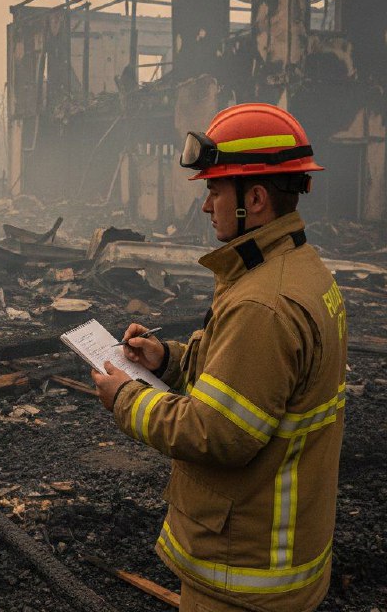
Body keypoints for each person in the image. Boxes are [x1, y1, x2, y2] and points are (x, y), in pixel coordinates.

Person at [92, 103, 347, 612]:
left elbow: (216, 433)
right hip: (278, 554)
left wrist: (125, 398)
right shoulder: (296, 268)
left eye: (214, 190)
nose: (206, 206)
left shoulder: (263, 303)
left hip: (244, 575)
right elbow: (249, 380)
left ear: (253, 199)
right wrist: (167, 360)